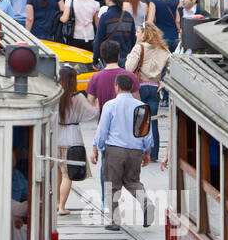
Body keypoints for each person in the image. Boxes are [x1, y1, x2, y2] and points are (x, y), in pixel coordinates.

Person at [92, 73, 154, 231]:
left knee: (112, 185)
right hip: (135, 151)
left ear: (117, 87)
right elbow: (146, 132)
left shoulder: (110, 105)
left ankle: (115, 221)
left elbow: (102, 130)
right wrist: (147, 153)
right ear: (132, 87)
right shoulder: (141, 106)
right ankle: (147, 203)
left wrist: (96, 148)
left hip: (114, 151)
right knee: (132, 181)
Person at [125, 21, 170, 164]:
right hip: (155, 87)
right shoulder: (163, 50)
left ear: (144, 33)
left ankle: (140, 151)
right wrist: (164, 83)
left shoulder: (139, 48)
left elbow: (129, 68)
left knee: (140, 120)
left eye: (138, 32)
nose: (136, 34)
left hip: (140, 87)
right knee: (153, 121)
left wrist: (128, 59)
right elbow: (173, 68)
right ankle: (154, 153)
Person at [55, 67, 97, 215]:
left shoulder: (55, 95)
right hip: (72, 137)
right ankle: (62, 207)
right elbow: (92, 113)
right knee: (68, 174)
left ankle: (57, 204)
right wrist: (97, 105)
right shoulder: (77, 96)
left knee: (58, 172)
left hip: (56, 136)